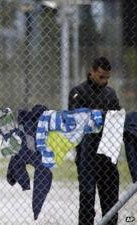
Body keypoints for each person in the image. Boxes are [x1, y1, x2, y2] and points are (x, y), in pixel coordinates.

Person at [68, 56, 121, 225]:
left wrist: (100, 117)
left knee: (111, 200)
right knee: (87, 198)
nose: (105, 81)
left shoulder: (110, 94)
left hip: (107, 154)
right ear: (91, 72)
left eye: (107, 78)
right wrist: (105, 117)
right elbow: (78, 121)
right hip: (86, 156)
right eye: (101, 77)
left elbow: (117, 118)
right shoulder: (78, 93)